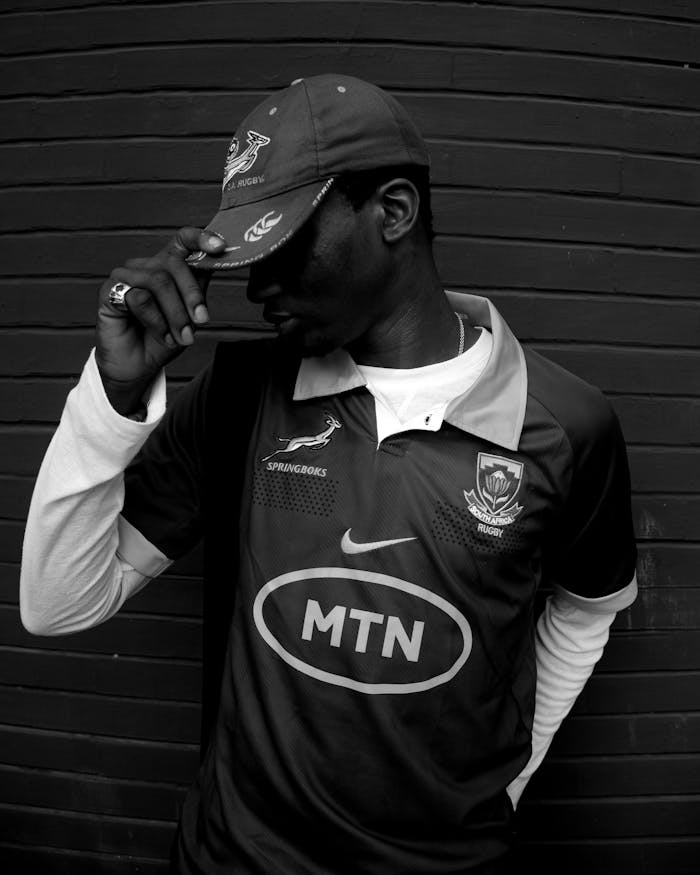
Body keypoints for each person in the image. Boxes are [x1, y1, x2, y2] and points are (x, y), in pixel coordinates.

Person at [20, 74, 638, 874]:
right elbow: (57, 605)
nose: (257, 287)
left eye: (281, 248)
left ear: (392, 211)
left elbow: (587, 610)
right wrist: (114, 393)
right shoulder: (244, 393)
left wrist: (506, 780)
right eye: (246, 256)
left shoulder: (567, 424)